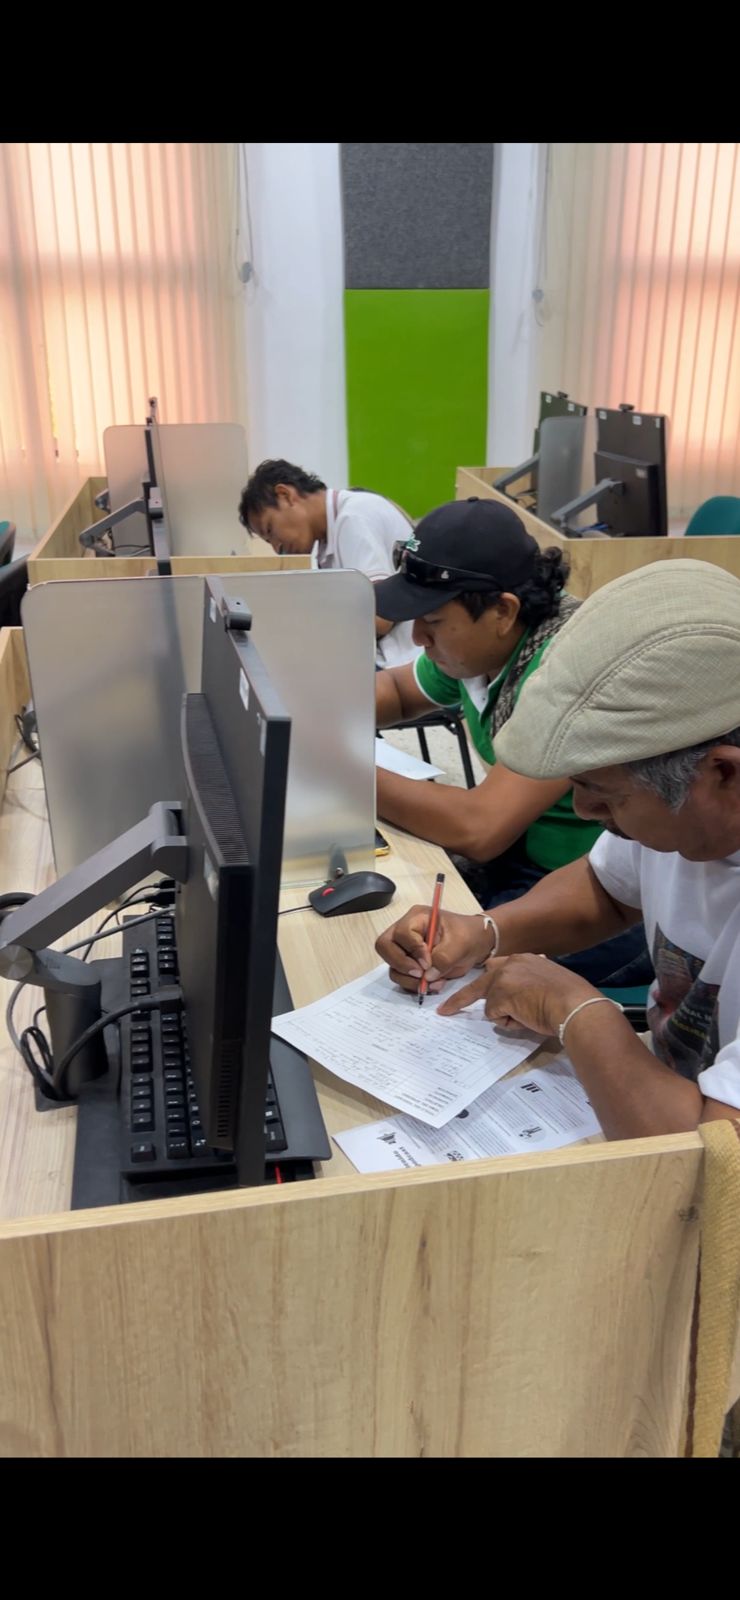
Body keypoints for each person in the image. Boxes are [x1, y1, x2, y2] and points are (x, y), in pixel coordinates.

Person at [375, 558, 740, 1139]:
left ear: (723, 774)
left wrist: (578, 1012)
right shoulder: (690, 811)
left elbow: (714, 1159)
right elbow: (606, 891)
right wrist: (483, 932)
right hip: (664, 1088)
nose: (586, 812)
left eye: (605, 795)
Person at [373, 495, 649, 986]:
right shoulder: (484, 649)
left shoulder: (568, 670)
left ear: (502, 611)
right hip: (534, 863)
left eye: (432, 622)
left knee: (449, 977)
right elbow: (395, 690)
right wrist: (306, 716)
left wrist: (332, 768)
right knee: (410, 924)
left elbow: (481, 828)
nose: (417, 638)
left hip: (604, 900)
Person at [239, 459, 418, 668]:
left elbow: (381, 616)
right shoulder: (332, 533)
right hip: (390, 658)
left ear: (285, 495)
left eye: (270, 530)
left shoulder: (353, 518)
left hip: (404, 663)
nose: (276, 548)